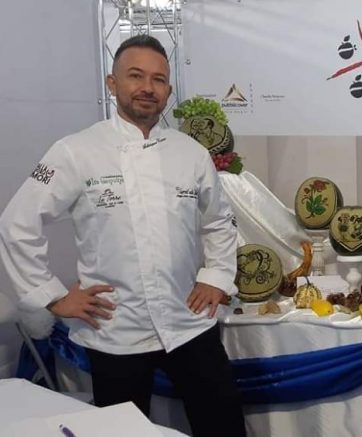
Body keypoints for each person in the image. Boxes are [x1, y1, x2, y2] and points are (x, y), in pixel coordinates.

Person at [0, 35, 246, 437]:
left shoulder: (191, 153)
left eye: (158, 79)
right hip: (116, 329)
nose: (147, 87)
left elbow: (219, 220)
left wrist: (216, 277)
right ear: (112, 83)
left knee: (223, 423)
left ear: (168, 91)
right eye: (135, 76)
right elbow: (16, 223)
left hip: (188, 321)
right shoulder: (75, 151)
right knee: (122, 431)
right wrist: (52, 296)